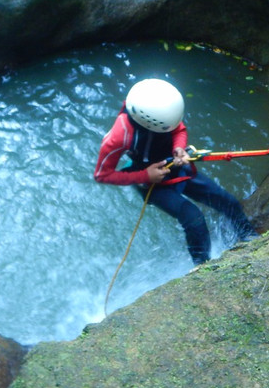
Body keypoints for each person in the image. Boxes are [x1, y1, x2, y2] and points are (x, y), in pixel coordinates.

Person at [94, 78, 259, 264]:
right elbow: (102, 175)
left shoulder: (165, 113)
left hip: (176, 166)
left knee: (227, 201)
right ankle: (202, 265)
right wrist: (145, 175)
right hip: (151, 183)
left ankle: (248, 236)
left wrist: (179, 148)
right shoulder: (119, 136)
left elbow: (179, 129)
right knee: (194, 219)